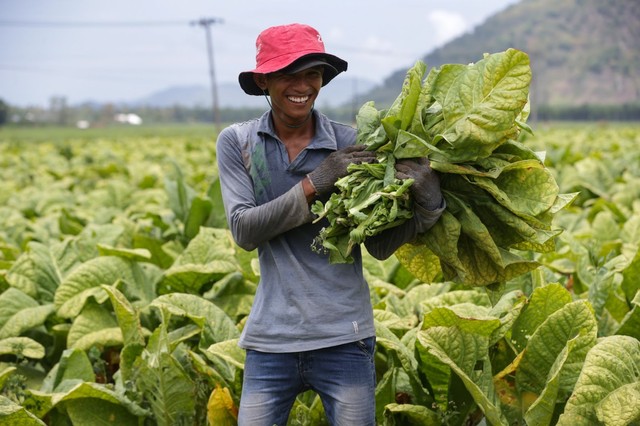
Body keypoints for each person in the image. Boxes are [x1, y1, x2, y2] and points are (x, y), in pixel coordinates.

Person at [216, 23, 445, 426]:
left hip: (345, 336)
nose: (302, 85)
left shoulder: (353, 143)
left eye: (313, 73)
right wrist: (316, 182)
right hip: (271, 339)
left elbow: (377, 243)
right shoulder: (239, 143)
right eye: (289, 72)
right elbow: (244, 231)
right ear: (264, 80)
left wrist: (429, 202)